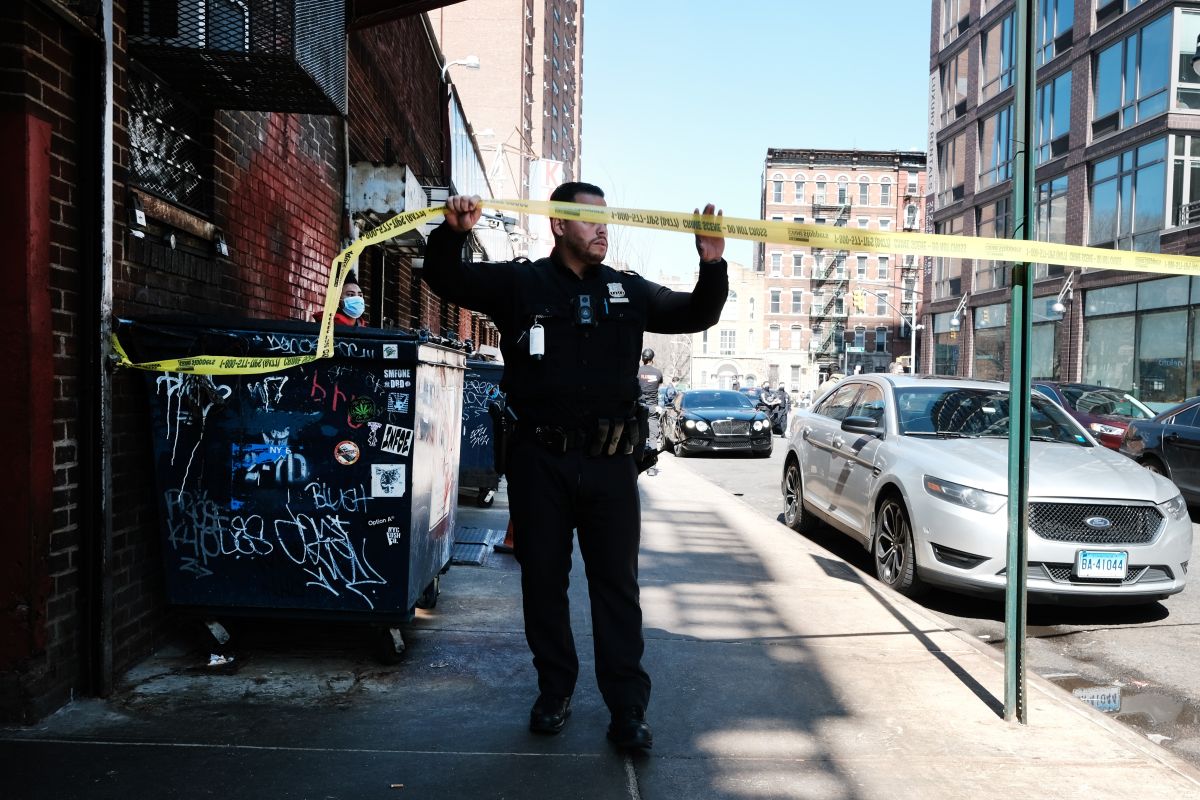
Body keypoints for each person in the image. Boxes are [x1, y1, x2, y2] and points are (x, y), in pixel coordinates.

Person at [422, 182, 727, 751]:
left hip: (612, 466)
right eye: (589, 220)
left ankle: (628, 708)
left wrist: (711, 263)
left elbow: (695, 314)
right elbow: (444, 279)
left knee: (617, 588)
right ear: (558, 224)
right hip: (541, 462)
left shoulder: (627, 291)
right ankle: (554, 691)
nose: (602, 229)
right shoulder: (521, 284)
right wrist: (452, 235)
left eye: (607, 220)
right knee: (544, 584)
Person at [637, 348, 665, 468]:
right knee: (653, 437)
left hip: (639, 407)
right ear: (652, 359)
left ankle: (638, 462)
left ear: (642, 359)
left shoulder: (636, 371)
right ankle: (651, 467)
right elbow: (658, 387)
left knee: (638, 436)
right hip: (653, 408)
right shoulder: (658, 373)